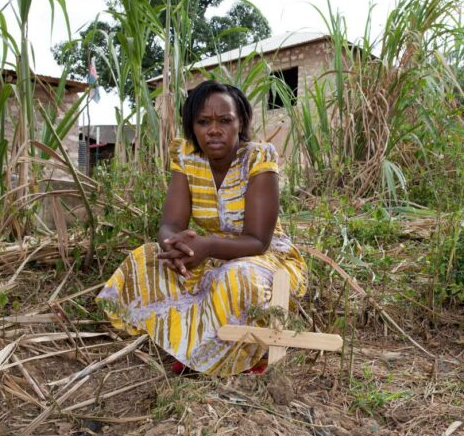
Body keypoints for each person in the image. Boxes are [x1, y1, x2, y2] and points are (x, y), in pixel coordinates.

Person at [96, 80, 307, 376]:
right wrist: (175, 245)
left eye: (225, 120)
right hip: (208, 253)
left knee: (236, 278)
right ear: (192, 126)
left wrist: (205, 247)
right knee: (145, 260)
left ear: (241, 122)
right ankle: (194, 341)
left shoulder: (258, 158)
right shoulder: (186, 157)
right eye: (203, 121)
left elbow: (258, 240)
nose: (214, 129)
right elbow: (170, 225)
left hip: (264, 259)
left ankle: (236, 354)